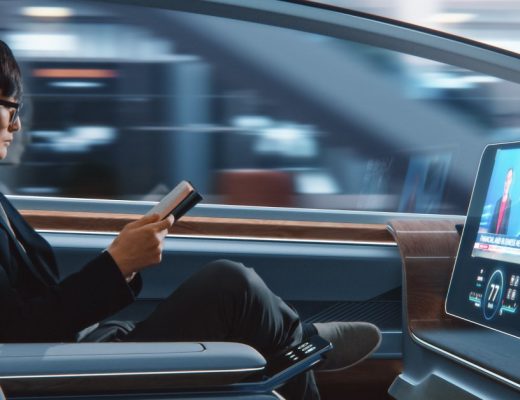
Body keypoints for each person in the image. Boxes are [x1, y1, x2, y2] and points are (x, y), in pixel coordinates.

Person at [0, 40, 381, 399]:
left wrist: (120, 263)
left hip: (69, 349)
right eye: (12, 109)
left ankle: (295, 338)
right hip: (49, 372)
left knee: (232, 293)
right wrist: (117, 265)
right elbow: (21, 330)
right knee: (233, 286)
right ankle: (300, 339)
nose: (16, 126)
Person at [489, 168, 513, 235]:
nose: (507, 183)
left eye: (510, 179)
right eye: (506, 179)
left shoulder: (512, 204)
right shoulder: (497, 202)